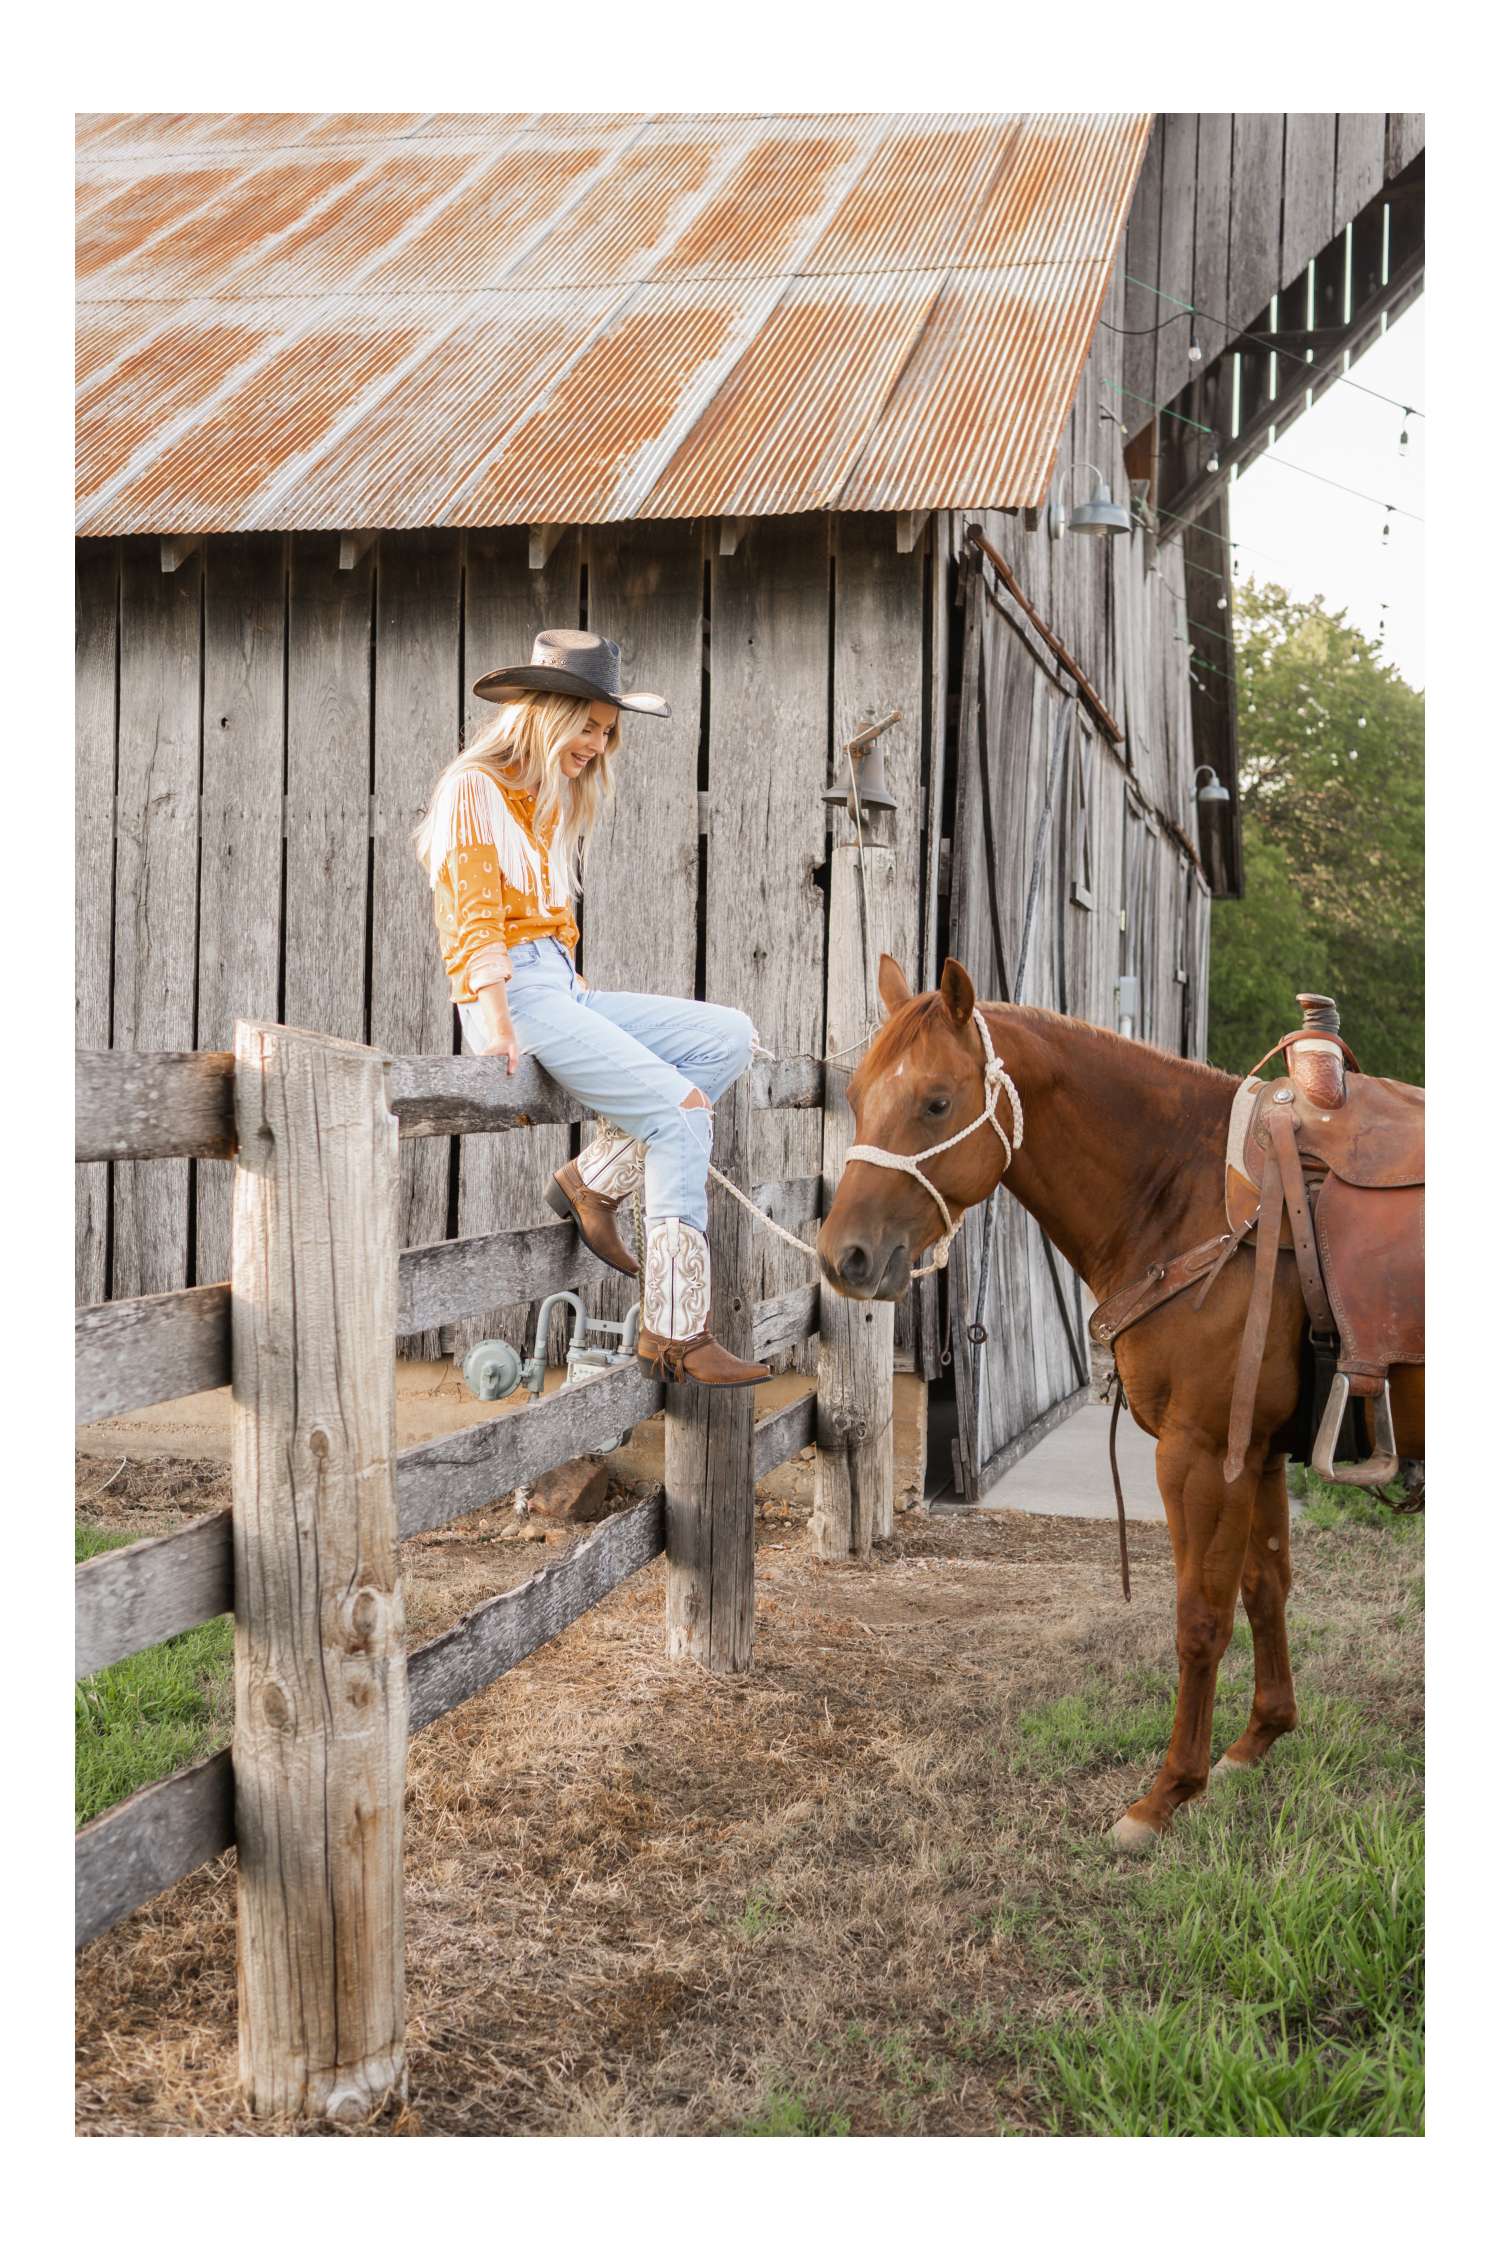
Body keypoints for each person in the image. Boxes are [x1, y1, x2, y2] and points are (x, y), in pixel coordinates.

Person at [414, 628, 769, 1388]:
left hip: (561, 985)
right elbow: (472, 914)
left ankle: (594, 1180)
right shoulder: (473, 787)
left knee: (730, 1036)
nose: (598, 746)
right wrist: (498, 1020)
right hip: (514, 991)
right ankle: (675, 1331)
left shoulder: (550, 799)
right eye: (588, 727)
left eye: (607, 733)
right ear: (544, 712)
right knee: (678, 1113)